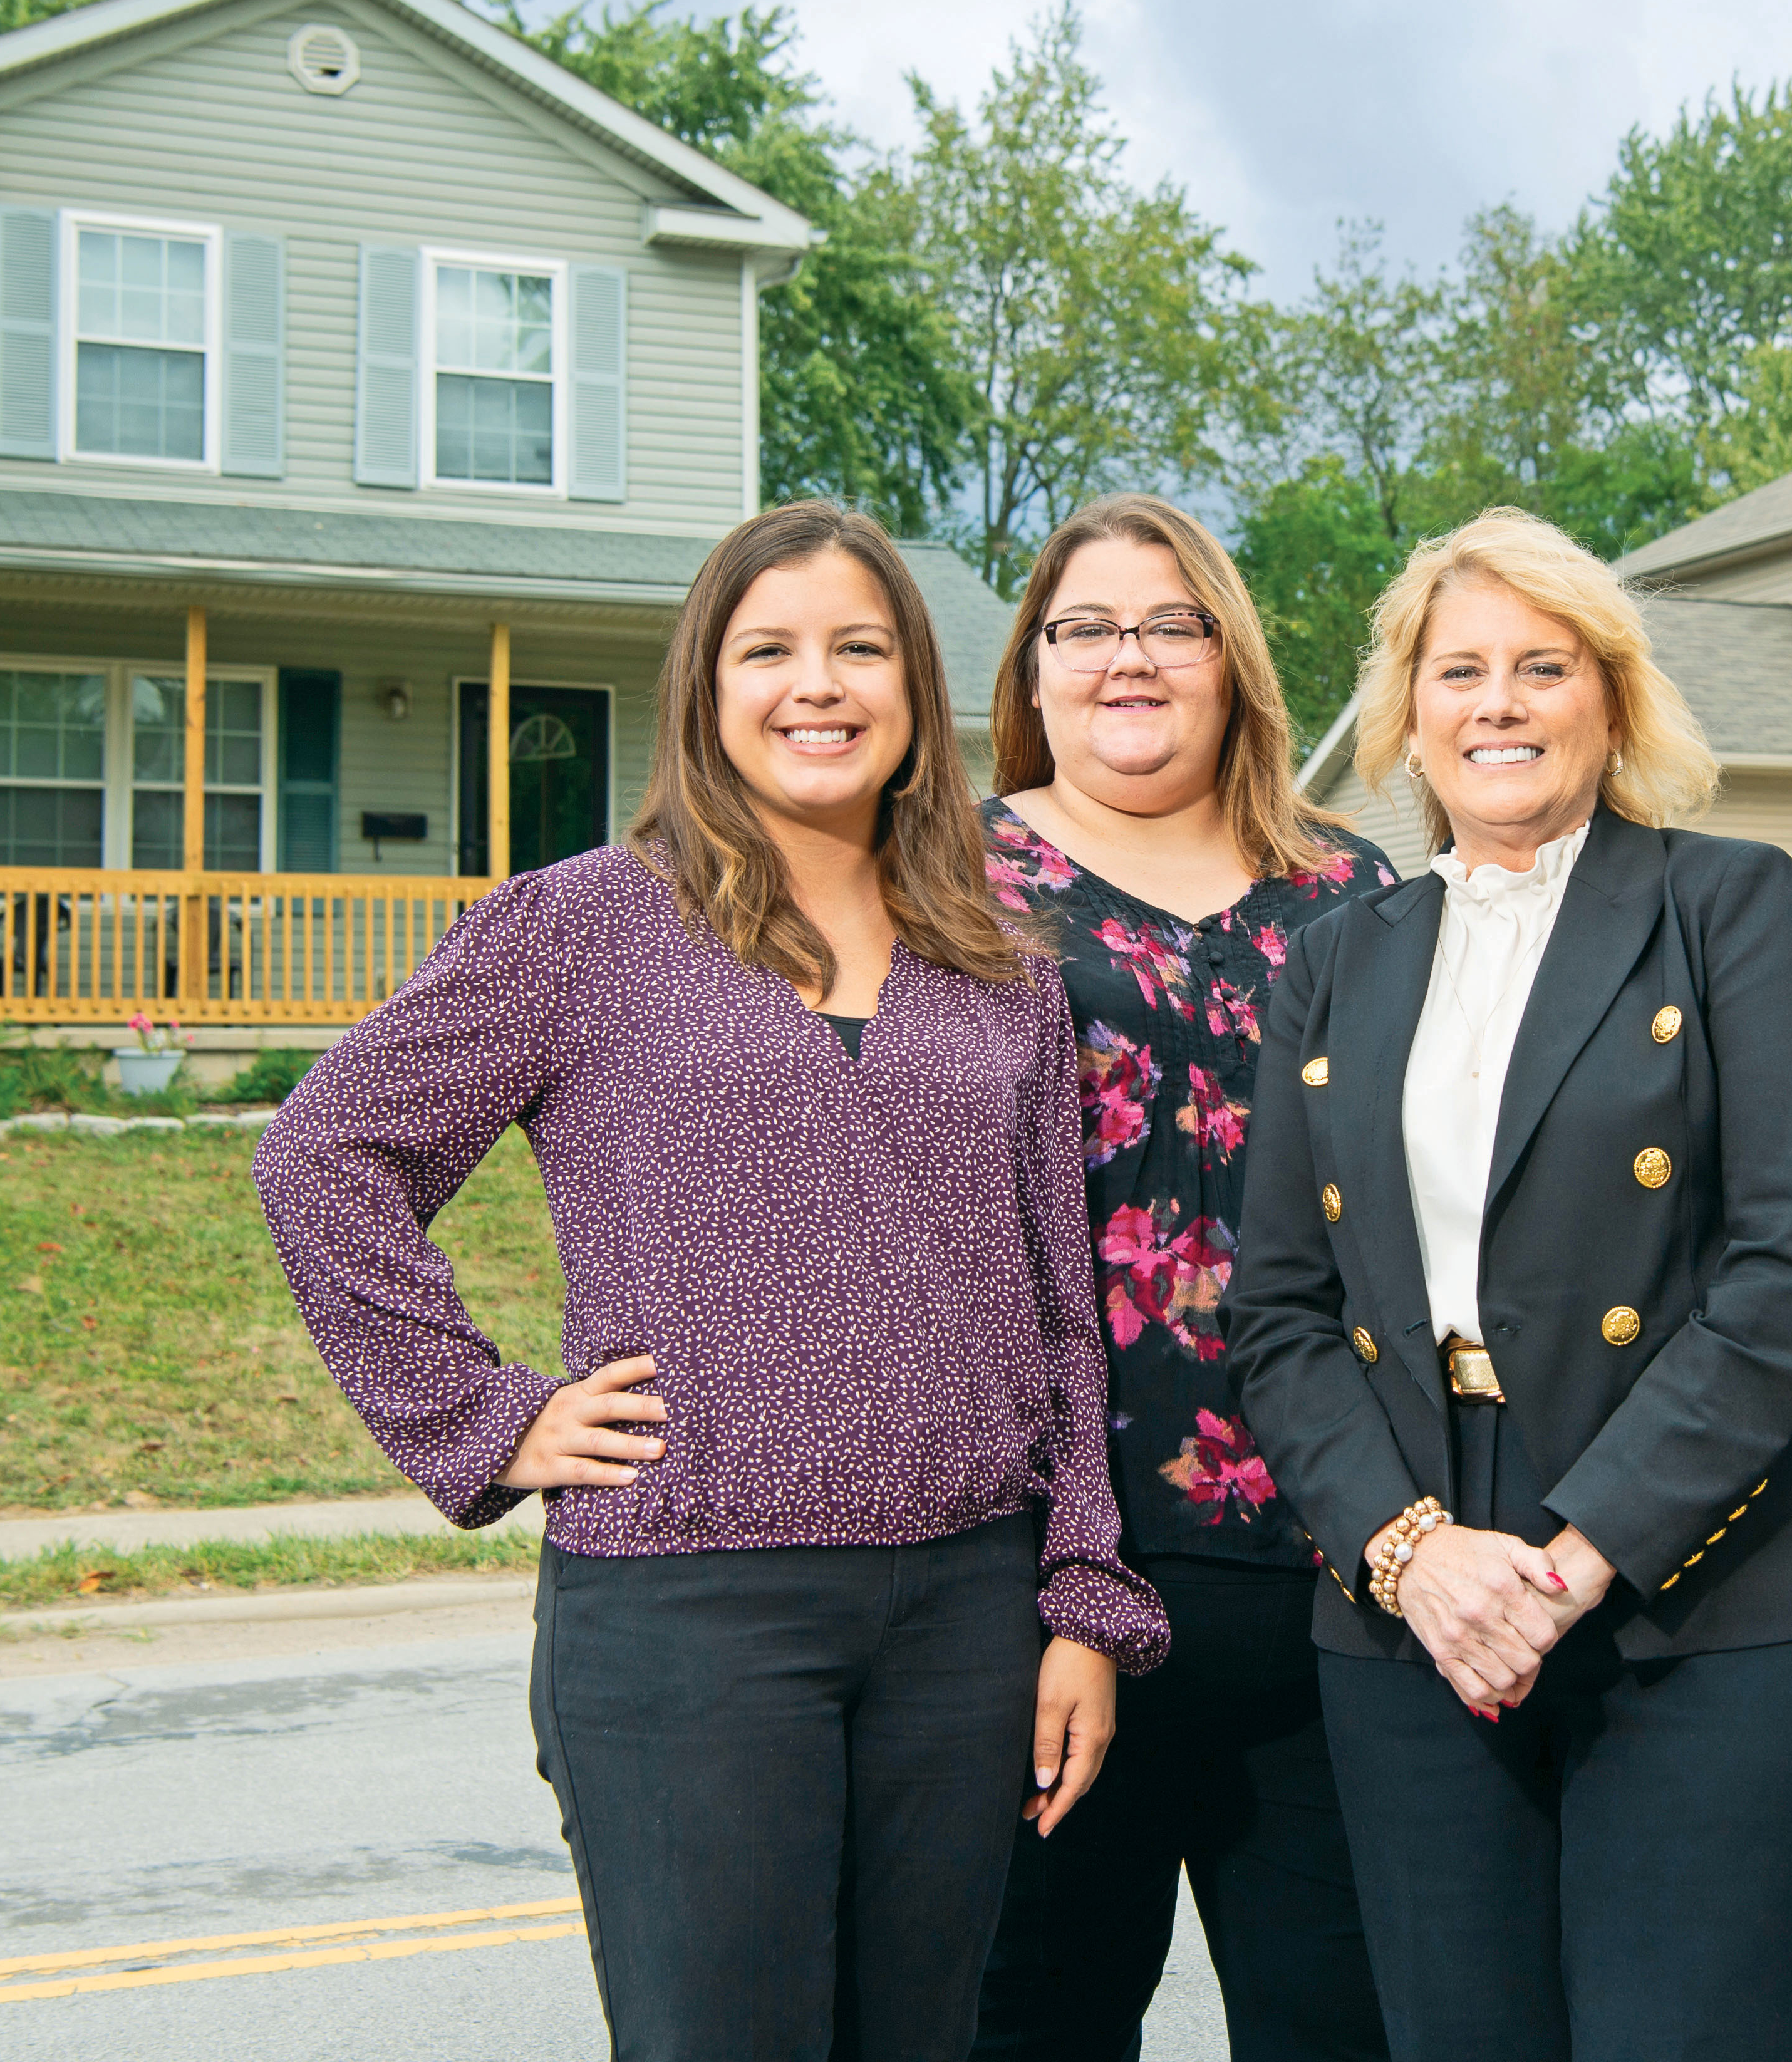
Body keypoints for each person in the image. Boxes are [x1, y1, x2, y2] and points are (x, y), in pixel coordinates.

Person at [251, 504, 1168, 2062]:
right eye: (772, 650)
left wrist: (1084, 1588)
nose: (819, 685)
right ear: (706, 687)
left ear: (912, 686)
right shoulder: (588, 923)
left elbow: (1061, 1305)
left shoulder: (1000, 958)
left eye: (860, 648)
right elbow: (324, 1156)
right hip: (692, 1610)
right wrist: (485, 1417)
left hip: (965, 1611)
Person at [1224, 509, 1792, 2062]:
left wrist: (1575, 1557)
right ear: (1406, 710)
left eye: (1544, 665)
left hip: (1713, 1571)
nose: (1499, 703)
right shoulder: (1335, 958)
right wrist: (1413, 1556)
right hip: (1419, 1574)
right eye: (1458, 669)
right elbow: (1278, 1305)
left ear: (1613, 697)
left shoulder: (1728, 903)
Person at [968, 493, 1396, 2062]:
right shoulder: (945, 880)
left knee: (1347, 2015)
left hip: (1338, 1569)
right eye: (1085, 626)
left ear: (1233, 657)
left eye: (1171, 622)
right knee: (1038, 2015)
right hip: (1044, 1576)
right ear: (1034, 666)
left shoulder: (1357, 894)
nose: (1127, 657)